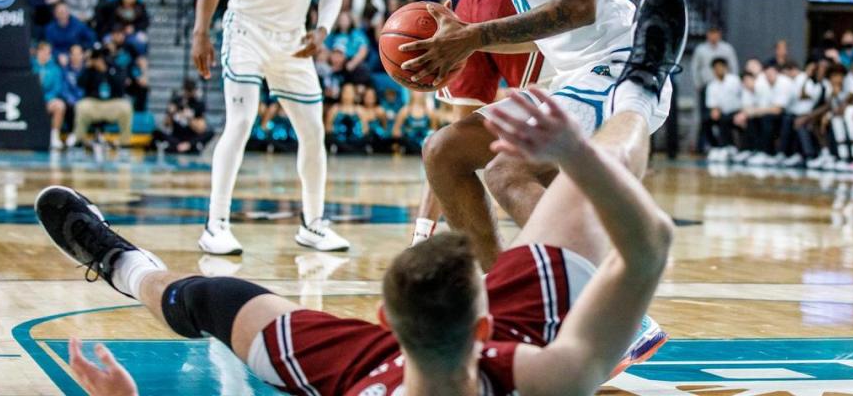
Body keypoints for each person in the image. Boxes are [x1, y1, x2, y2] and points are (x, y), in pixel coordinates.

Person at [37, 68, 675, 396]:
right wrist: (574, 153)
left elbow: (649, 253)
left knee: (204, 299)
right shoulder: (547, 375)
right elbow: (647, 248)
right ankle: (644, 87)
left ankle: (123, 263)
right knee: (612, 162)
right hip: (510, 328)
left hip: (367, 372)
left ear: (383, 322)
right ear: (484, 328)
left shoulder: (374, 366)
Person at [398, 0, 684, 380]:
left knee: (505, 173)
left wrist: (472, 39)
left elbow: (578, 5)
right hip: (573, 79)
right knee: (443, 152)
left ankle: (624, 312)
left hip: (618, 64)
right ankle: (519, 306)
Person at [191, 0, 349, 255]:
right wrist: (200, 33)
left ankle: (313, 225)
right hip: (246, 32)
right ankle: (216, 224)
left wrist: (323, 29)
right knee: (241, 121)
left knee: (313, 133)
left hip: (293, 40)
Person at [691, 26, 739, 153]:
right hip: (707, 86)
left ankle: (725, 146)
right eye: (711, 33)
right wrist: (698, 84)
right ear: (707, 35)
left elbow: (734, 66)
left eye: (716, 33)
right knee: (705, 117)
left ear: (719, 34)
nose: (713, 36)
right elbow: (695, 68)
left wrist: (732, 82)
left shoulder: (727, 49)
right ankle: (703, 145)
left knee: (723, 116)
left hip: (725, 87)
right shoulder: (700, 49)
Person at [74, 46, 132, 147]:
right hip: (94, 103)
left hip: (111, 103)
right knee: (81, 106)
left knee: (126, 107)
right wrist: (87, 68)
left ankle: (124, 141)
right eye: (96, 57)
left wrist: (106, 70)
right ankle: (79, 139)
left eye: (100, 57)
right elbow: (80, 83)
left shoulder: (114, 68)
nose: (98, 60)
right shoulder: (89, 70)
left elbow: (120, 86)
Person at [154, 78, 213, 153]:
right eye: (186, 91)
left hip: (191, 137)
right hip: (176, 136)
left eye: (190, 91)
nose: (188, 93)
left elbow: (201, 128)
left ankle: (187, 145)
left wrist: (189, 118)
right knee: (156, 132)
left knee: (210, 132)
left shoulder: (198, 104)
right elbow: (166, 124)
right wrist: (171, 113)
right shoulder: (175, 101)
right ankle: (181, 146)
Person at [704, 57, 741, 161]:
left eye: (721, 67)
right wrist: (715, 111)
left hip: (736, 111)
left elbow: (741, 96)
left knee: (725, 119)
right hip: (721, 111)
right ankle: (716, 147)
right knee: (706, 121)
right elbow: (712, 104)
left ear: (726, 68)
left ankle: (728, 147)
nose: (718, 70)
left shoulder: (735, 81)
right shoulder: (711, 86)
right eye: (716, 68)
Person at [32, 41, 67, 149]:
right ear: (37, 52)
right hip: (30, 100)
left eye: (48, 52)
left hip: (47, 101)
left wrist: (45, 99)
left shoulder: (55, 69)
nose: (45, 54)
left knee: (60, 105)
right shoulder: (29, 66)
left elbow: (57, 89)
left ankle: (54, 137)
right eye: (42, 51)